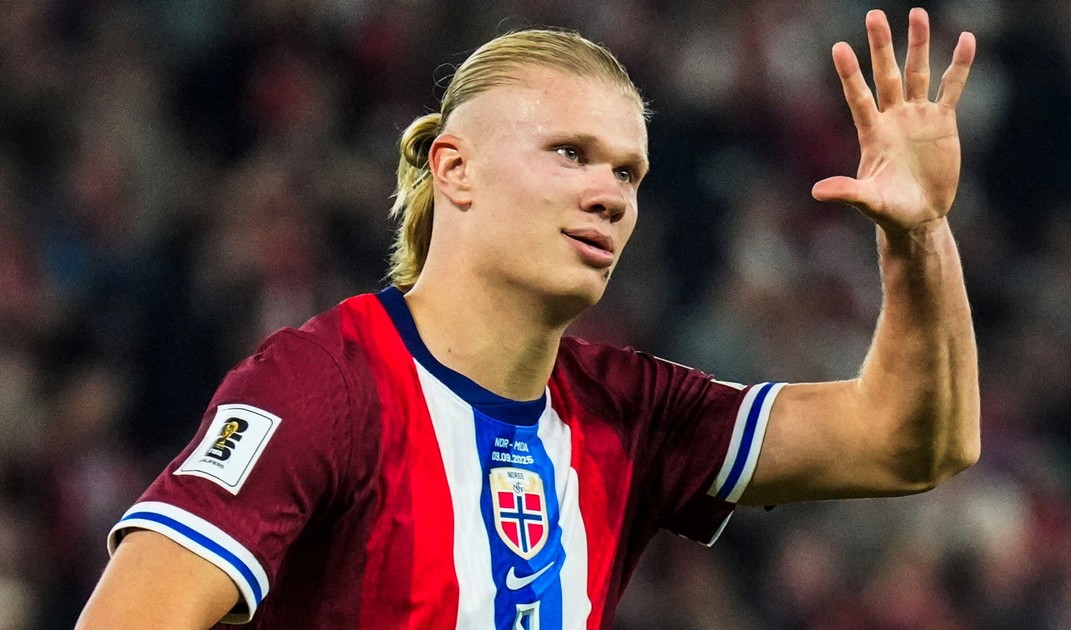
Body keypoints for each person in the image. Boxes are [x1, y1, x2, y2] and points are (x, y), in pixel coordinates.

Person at [77, 7, 979, 629]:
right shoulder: (323, 387)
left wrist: (920, 234)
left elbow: (912, 444)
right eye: (570, 154)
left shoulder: (633, 412)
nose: (610, 195)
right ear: (454, 169)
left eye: (628, 173)